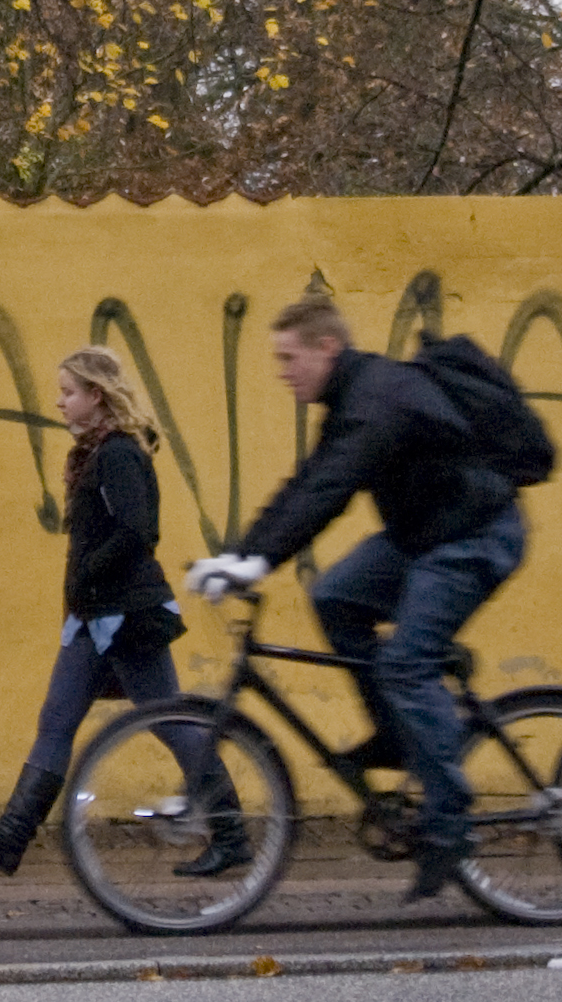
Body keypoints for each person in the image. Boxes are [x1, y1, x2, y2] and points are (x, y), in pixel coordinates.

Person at [180, 294, 528, 902]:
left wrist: (258, 561)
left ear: (327, 348)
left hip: (475, 534)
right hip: (426, 534)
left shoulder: (375, 399)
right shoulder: (354, 398)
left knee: (408, 662)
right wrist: (242, 553)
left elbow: (334, 485)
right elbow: (310, 481)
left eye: (290, 357)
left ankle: (450, 822)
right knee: (337, 597)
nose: (282, 371)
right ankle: (397, 735)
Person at [0, 347, 246, 879]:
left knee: (170, 722)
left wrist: (87, 572)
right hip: (93, 614)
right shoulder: (94, 453)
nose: (59, 403)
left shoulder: (119, 453)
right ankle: (11, 840)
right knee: (57, 719)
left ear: (96, 396)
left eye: (68, 392)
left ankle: (234, 834)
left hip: (125, 614)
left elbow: (138, 530)